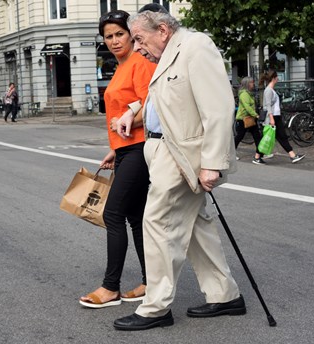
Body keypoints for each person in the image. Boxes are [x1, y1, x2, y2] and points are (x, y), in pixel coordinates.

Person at [113, 5, 245, 331]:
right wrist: (134, 112)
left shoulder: (195, 46)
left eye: (140, 38)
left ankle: (156, 307)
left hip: (183, 155)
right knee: (197, 229)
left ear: (162, 30)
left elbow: (218, 107)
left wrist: (212, 163)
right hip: (161, 151)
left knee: (156, 222)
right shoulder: (164, 54)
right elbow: (162, 97)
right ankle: (224, 295)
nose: (137, 46)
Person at [78, 10, 156, 309]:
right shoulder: (121, 66)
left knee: (113, 214)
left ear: (131, 34)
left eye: (119, 34)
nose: (113, 41)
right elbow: (124, 110)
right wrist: (115, 147)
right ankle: (151, 282)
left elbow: (151, 106)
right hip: (126, 150)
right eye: (108, 36)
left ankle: (110, 288)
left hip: (139, 149)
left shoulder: (140, 63)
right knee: (135, 218)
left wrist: (129, 127)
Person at [260, 70, 304, 163]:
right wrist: (271, 118)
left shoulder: (271, 90)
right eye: (276, 77)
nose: (278, 79)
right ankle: (257, 156)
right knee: (268, 138)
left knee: (281, 136)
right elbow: (267, 105)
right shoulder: (268, 90)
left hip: (276, 116)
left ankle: (292, 155)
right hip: (273, 117)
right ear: (273, 78)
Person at [234, 77, 265, 164]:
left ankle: (259, 155)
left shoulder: (249, 93)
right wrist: (256, 115)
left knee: (257, 136)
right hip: (243, 119)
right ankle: (230, 154)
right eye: (251, 83)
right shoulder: (244, 94)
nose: (253, 84)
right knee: (239, 136)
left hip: (250, 118)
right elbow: (247, 107)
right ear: (247, 84)